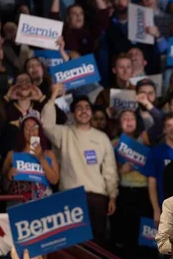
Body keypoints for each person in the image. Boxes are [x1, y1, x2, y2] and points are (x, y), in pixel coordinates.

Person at [43, 84, 119, 246]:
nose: (84, 111)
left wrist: (112, 196)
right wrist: (53, 96)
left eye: (87, 108)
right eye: (79, 108)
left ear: (91, 113)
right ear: (72, 113)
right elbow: (46, 125)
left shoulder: (101, 137)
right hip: (70, 195)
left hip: (97, 197)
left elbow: (110, 170)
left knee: (97, 243)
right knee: (73, 244)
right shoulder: (64, 133)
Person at [2, 113, 60, 202]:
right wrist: (8, 176)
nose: (31, 131)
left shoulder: (49, 154)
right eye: (27, 127)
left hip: (43, 202)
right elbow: (3, 185)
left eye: (35, 127)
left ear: (40, 131)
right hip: (18, 202)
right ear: (22, 131)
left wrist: (41, 158)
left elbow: (54, 180)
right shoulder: (12, 154)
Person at [144, 113, 173, 225]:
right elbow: (152, 183)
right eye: (169, 125)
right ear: (164, 129)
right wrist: (156, 209)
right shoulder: (155, 152)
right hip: (165, 208)